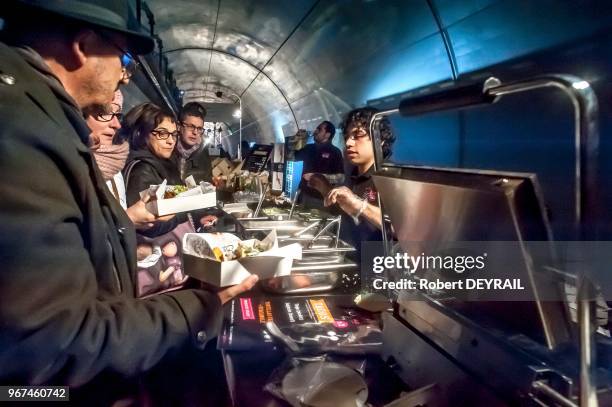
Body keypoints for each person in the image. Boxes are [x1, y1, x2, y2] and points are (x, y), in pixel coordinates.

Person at [0, 0, 257, 399]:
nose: (125, 73)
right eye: (122, 56)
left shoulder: (40, 116)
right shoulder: (19, 126)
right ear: (82, 45)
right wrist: (201, 305)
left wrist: (124, 219)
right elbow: (52, 342)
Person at [307, 107, 395, 249]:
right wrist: (325, 189)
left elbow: (401, 230)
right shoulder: (352, 173)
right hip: (347, 254)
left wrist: (360, 206)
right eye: (347, 136)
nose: (348, 142)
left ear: (380, 139)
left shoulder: (389, 178)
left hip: (375, 263)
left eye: (357, 135)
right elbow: (347, 212)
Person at [122, 102, 191, 237]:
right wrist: (185, 209)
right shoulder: (142, 169)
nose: (171, 141)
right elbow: (149, 225)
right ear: (142, 133)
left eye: (174, 134)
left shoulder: (164, 162)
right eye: (162, 133)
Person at [295, 121, 345, 208]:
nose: (316, 131)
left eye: (319, 129)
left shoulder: (335, 152)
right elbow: (291, 157)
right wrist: (297, 140)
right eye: (316, 129)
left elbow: (340, 177)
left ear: (327, 134)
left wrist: (317, 177)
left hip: (320, 198)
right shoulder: (308, 148)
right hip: (303, 194)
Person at [174, 101, 213, 183]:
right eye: (191, 126)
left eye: (199, 128)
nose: (195, 132)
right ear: (179, 127)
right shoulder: (166, 151)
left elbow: (208, 184)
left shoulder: (204, 156)